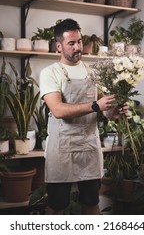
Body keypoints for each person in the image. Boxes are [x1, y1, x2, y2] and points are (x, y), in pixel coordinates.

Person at [39, 18, 128, 215]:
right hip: (62, 149)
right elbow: (58, 110)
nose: (77, 47)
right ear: (59, 45)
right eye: (71, 43)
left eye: (79, 41)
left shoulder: (93, 72)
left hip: (89, 147)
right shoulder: (50, 73)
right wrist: (95, 105)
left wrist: (115, 112)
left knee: (91, 202)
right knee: (57, 205)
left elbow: (105, 111)